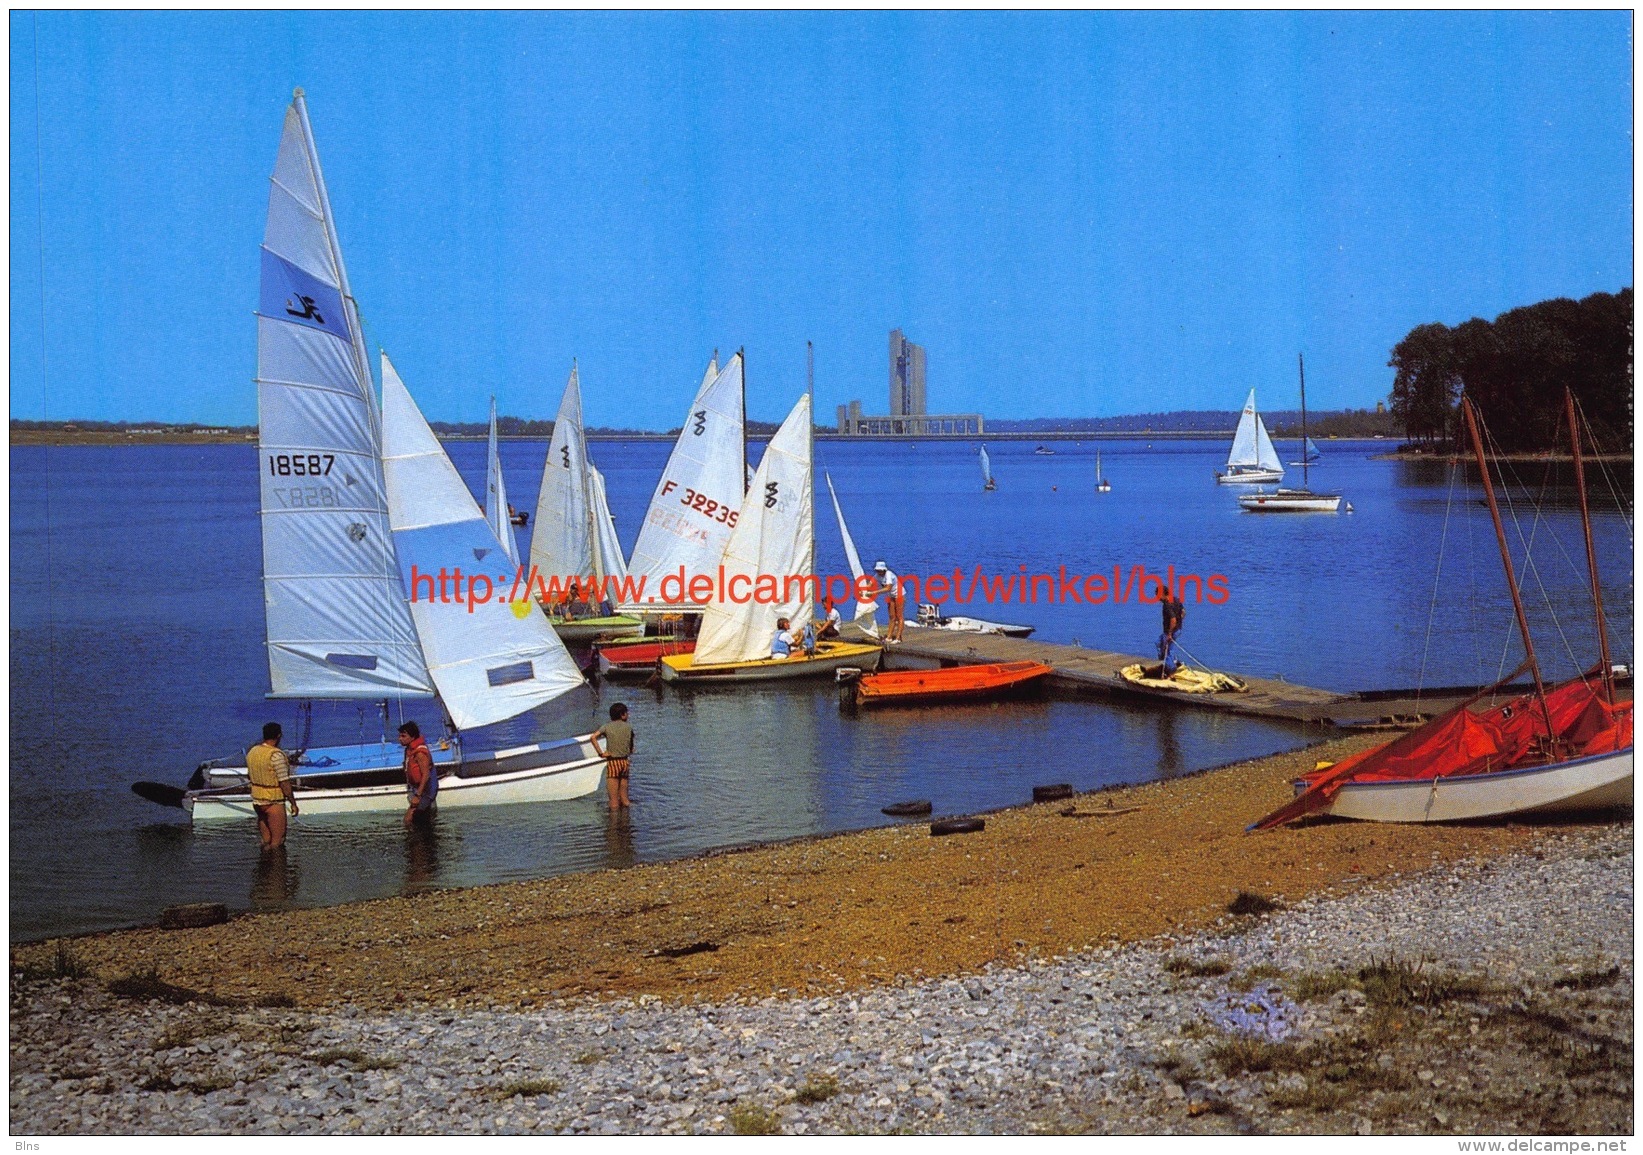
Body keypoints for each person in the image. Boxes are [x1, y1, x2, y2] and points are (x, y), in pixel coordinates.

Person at [247, 722, 298, 850]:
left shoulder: (253, 752)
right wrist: (293, 803)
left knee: (266, 840)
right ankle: (277, 868)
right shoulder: (276, 755)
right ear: (279, 735)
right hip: (273, 801)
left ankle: (263, 867)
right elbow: (284, 783)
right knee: (277, 842)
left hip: (258, 800)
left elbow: (250, 775)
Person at [591, 703, 635, 811]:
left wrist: (601, 753)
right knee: (625, 800)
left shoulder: (607, 726)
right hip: (625, 762)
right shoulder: (629, 727)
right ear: (622, 715)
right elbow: (631, 748)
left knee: (613, 801)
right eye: (626, 713)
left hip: (613, 762)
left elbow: (593, 737)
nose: (628, 715)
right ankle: (626, 823)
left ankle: (614, 826)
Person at [398, 720, 438, 828]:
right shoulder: (408, 750)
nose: (400, 739)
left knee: (409, 820)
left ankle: (420, 843)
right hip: (417, 789)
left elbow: (426, 775)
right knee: (421, 821)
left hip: (425, 792)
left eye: (403, 736)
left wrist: (417, 796)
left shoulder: (420, 753)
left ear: (412, 737)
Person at [874, 561, 904, 643]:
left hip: (899, 594)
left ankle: (898, 638)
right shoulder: (877, 575)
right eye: (877, 570)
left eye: (880, 570)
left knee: (899, 616)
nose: (878, 572)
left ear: (884, 570)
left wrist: (873, 593)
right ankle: (889, 637)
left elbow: (888, 588)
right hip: (891, 596)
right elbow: (870, 584)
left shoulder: (888, 575)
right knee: (892, 616)